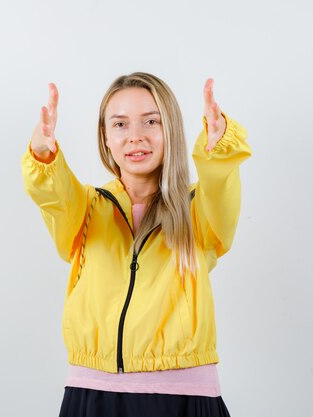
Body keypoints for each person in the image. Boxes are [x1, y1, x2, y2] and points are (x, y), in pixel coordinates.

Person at [21, 72, 252, 417]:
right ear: (105, 138)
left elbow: (220, 194)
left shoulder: (196, 210)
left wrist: (218, 152)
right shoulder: (87, 209)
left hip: (183, 397)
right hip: (92, 393)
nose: (135, 137)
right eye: (120, 125)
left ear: (170, 128)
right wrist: (44, 157)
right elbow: (54, 195)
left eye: (151, 121)